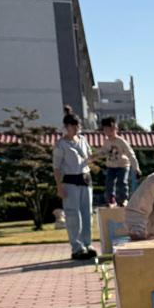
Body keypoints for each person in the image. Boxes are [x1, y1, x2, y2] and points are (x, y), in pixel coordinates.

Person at [52, 106, 97, 260]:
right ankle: (77, 247)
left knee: (87, 214)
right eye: (74, 127)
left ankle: (88, 244)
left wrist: (100, 154)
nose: (77, 130)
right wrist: (59, 187)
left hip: (85, 179)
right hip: (70, 181)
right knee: (73, 215)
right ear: (67, 127)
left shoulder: (83, 140)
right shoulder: (61, 144)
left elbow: (89, 157)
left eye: (78, 127)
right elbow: (56, 167)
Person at [93, 117, 141, 206]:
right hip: (111, 166)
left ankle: (124, 200)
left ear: (116, 129)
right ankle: (111, 200)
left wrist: (136, 168)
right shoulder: (106, 142)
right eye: (106, 130)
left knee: (122, 182)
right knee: (109, 183)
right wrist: (96, 155)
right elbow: (104, 152)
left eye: (111, 130)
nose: (109, 133)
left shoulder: (121, 142)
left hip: (123, 165)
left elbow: (130, 154)